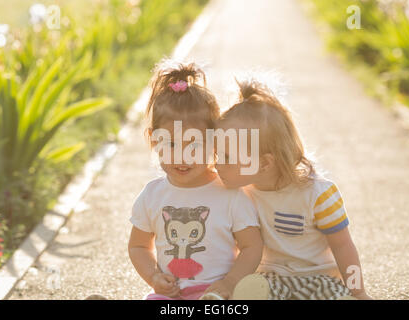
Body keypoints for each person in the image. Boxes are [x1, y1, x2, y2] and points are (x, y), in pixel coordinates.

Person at [215, 78, 372, 300]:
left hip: (320, 279)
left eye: (227, 157)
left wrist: (358, 290)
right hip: (270, 278)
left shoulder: (318, 194)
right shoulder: (240, 192)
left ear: (264, 163)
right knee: (248, 291)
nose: (217, 164)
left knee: (336, 295)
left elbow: (343, 245)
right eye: (217, 154)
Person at [128, 61, 263, 300]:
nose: (182, 156)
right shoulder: (152, 195)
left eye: (195, 145)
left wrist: (230, 283)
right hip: (171, 295)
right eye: (170, 144)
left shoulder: (230, 194)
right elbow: (138, 246)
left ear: (215, 142)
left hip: (216, 294)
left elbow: (252, 247)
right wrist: (154, 277)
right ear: (154, 139)